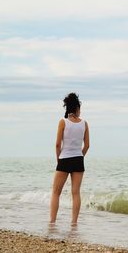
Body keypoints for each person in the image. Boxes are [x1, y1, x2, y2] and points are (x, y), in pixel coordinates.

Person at [50, 93, 89, 226]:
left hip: (64, 159)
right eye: (80, 108)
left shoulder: (63, 122)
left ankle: (52, 222)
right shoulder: (84, 123)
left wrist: (59, 159)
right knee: (76, 193)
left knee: (56, 192)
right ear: (77, 107)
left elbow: (57, 144)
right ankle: (74, 223)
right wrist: (80, 156)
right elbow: (87, 145)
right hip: (78, 159)